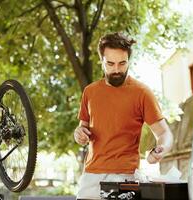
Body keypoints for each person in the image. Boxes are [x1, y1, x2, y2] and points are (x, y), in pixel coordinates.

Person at [74, 32, 173, 199]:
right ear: (102, 61)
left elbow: (164, 133)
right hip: (91, 176)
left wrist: (161, 149)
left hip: (126, 177)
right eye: (110, 64)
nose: (116, 70)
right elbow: (82, 128)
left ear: (129, 60)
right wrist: (79, 134)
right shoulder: (89, 92)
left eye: (122, 63)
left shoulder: (142, 93)